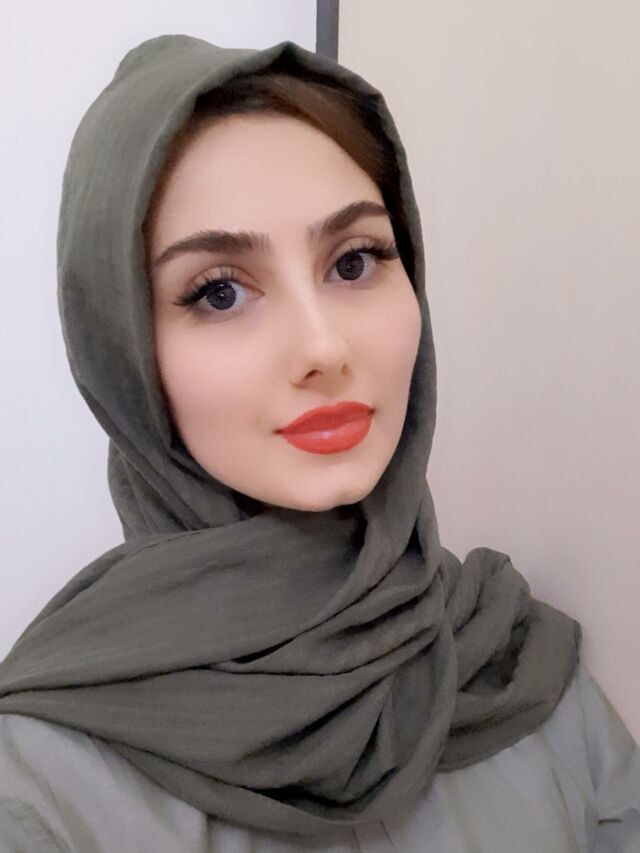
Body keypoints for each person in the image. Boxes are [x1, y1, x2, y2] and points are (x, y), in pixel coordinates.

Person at [0, 33, 638, 853]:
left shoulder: (521, 665)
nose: (323, 347)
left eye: (355, 261)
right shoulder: (39, 784)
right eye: (219, 292)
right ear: (120, 349)